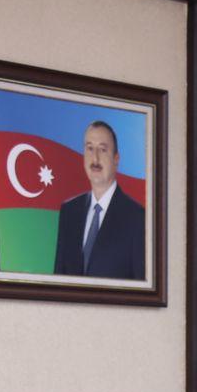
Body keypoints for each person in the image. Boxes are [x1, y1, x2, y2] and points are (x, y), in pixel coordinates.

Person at [53, 120, 146, 280]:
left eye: (102, 150)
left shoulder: (138, 218)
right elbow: (58, 279)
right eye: (90, 148)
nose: (95, 158)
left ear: (116, 159)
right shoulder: (69, 211)